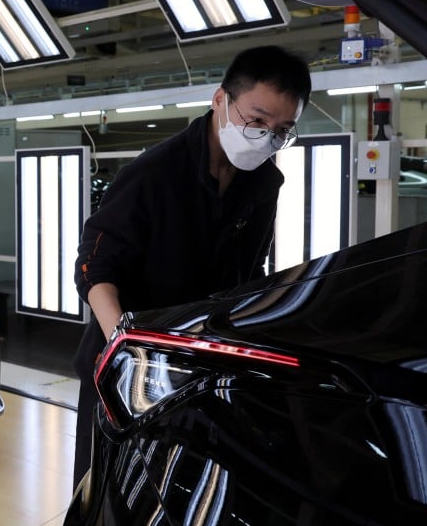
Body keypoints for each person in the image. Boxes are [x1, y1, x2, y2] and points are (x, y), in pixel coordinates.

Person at [71, 45, 312, 488]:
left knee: (181, 492)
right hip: (127, 363)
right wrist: (128, 350)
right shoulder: (152, 174)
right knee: (109, 490)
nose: (266, 138)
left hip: (198, 362)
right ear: (220, 99)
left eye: (282, 130)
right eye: (256, 121)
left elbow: (249, 270)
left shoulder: (264, 183)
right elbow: (93, 270)